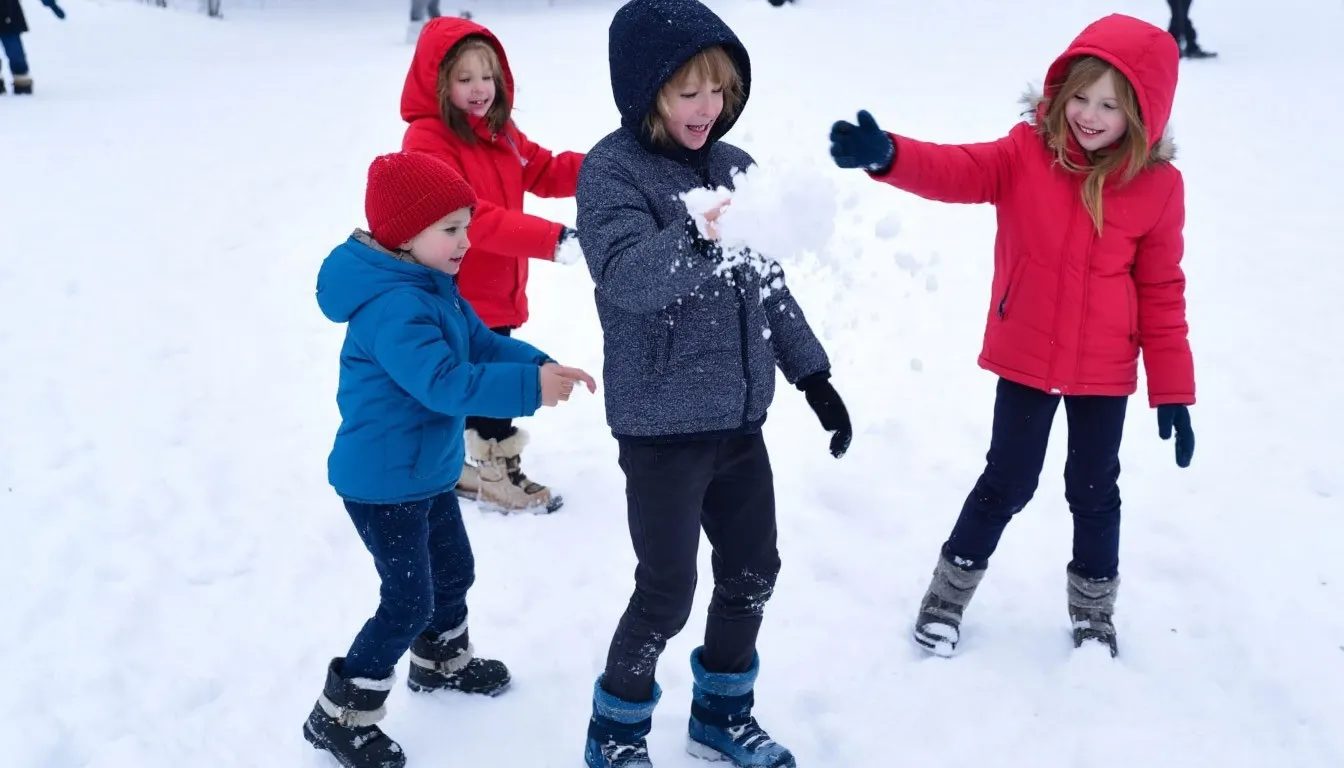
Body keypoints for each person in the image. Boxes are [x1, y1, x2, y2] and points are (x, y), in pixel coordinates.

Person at [829, 13, 1196, 659]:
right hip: (1027, 355)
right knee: (1008, 479)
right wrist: (889, 154)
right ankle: (946, 598)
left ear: (1142, 114)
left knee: (1094, 489)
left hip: (1104, 368)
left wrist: (1173, 390)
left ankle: (1093, 613)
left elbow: (1162, 291)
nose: (1088, 114)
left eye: (1110, 104)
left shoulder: (1157, 188)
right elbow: (957, 169)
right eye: (1080, 95)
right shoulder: (1026, 153)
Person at [577, 1, 851, 766]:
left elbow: (767, 283)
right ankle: (617, 731)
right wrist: (698, 233)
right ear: (646, 93)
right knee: (665, 589)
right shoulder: (609, 173)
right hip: (662, 426)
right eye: (688, 92)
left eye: (720, 91)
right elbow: (628, 278)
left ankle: (721, 714)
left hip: (738, 422)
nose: (709, 109)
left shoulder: (734, 167)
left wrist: (813, 374)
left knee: (753, 571)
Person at [302, 151, 595, 768]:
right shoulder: (395, 308)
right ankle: (341, 715)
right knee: (408, 599)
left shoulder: (431, 287)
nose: (467, 240)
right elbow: (443, 383)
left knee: (453, 572)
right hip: (382, 483)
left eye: (466, 224)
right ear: (406, 235)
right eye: (452, 229)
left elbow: (482, 342)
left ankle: (440, 663)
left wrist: (537, 364)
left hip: (423, 472)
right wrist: (528, 394)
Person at [400, 17, 586, 513]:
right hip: (459, 290)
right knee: (488, 380)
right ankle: (492, 472)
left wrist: (605, 169)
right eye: (465, 79)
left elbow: (543, 169)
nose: (480, 89)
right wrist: (554, 239)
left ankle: (463, 466)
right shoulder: (428, 140)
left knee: (481, 371)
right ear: (438, 84)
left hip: (499, 286)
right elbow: (470, 218)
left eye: (488, 76)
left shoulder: (498, 131)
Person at [0, 0, 65, 95]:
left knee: (15, 52)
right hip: (8, 15)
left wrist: (51, 4)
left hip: (8, 13)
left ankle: (22, 82)